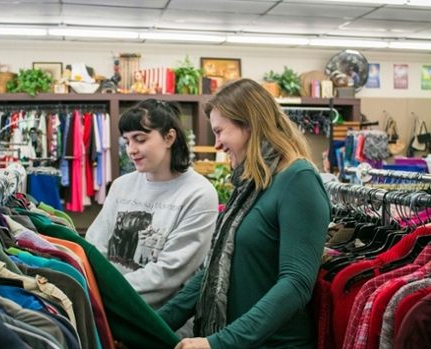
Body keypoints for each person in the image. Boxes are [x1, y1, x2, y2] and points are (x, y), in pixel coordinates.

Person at [156, 78, 331, 349]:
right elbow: (216, 270)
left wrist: (219, 342)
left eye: (220, 131)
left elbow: (296, 283)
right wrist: (152, 324)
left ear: (249, 125)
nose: (216, 144)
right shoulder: (252, 183)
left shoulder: (299, 180)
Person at [85, 98, 218, 312]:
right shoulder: (121, 186)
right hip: (108, 311)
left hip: (160, 322)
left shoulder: (199, 194)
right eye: (127, 141)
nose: (131, 150)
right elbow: (94, 247)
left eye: (140, 139)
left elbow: (169, 273)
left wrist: (106, 295)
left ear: (169, 137)